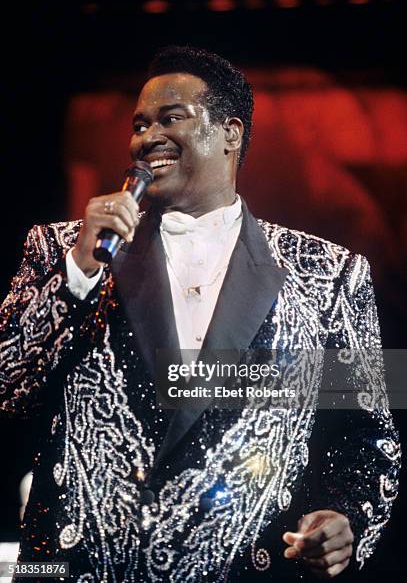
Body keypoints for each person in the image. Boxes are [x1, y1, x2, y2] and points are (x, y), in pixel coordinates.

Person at [0, 46, 400, 582]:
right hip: (72, 570)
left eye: (171, 118)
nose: (147, 137)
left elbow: (367, 439)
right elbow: (8, 386)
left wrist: (344, 517)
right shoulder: (62, 250)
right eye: (139, 124)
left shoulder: (329, 274)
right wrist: (79, 271)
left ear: (230, 133)